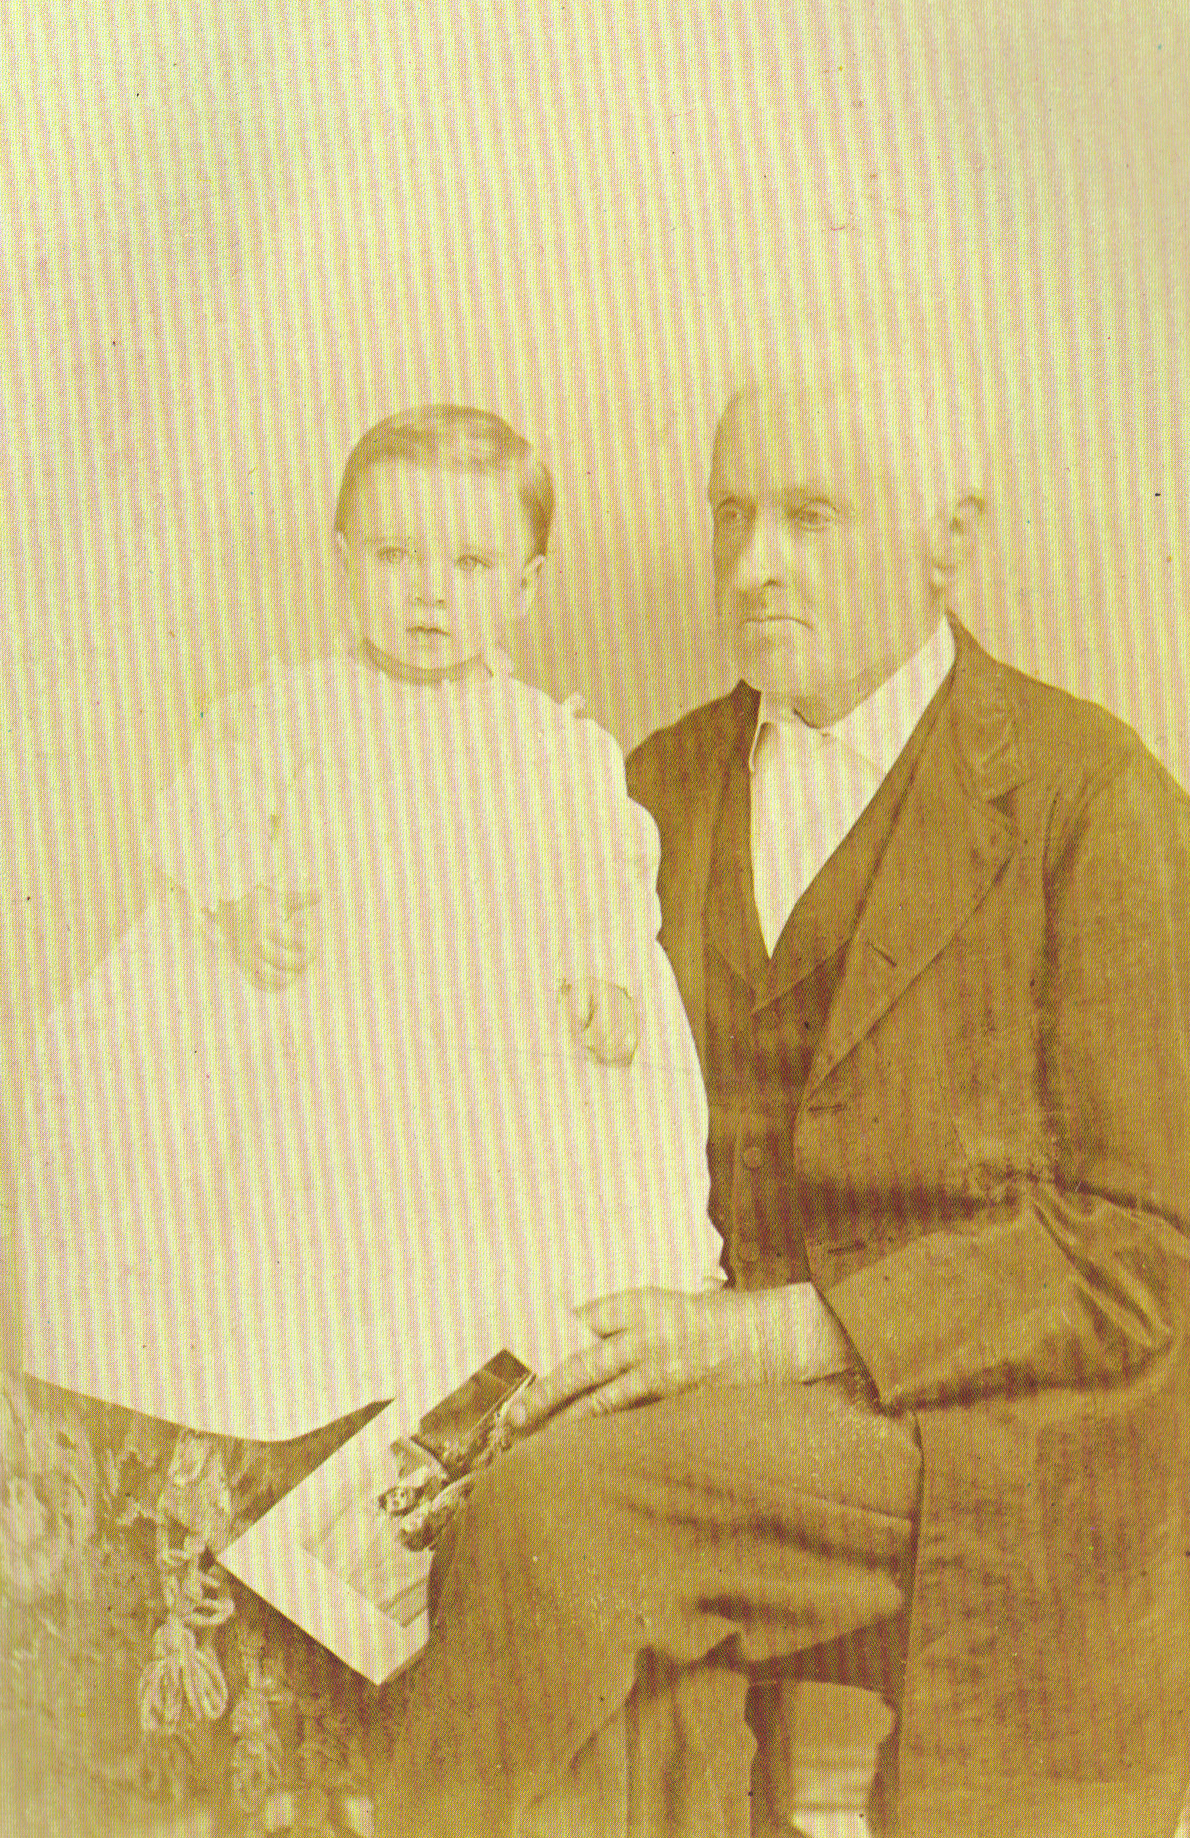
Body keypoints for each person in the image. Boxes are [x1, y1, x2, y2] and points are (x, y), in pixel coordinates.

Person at [376, 370, 1190, 1838]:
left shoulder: (1090, 800)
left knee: (561, 1515)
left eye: (810, 516)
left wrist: (777, 1331)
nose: (753, 564)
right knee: (496, 1505)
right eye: (731, 515)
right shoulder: (657, 786)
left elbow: (1140, 1243)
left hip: (986, 1426)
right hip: (710, 1399)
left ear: (948, 542)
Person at [19, 402, 721, 1445]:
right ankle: (304, 1398)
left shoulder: (553, 748)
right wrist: (242, 899)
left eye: (471, 564)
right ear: (343, 562)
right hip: (336, 1036)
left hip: (490, 1047)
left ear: (526, 584)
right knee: (307, 1221)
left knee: (499, 1233)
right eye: (396, 555)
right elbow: (207, 808)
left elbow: (606, 874)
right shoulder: (291, 712)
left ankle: (464, 1407)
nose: (430, 590)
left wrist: (607, 969)